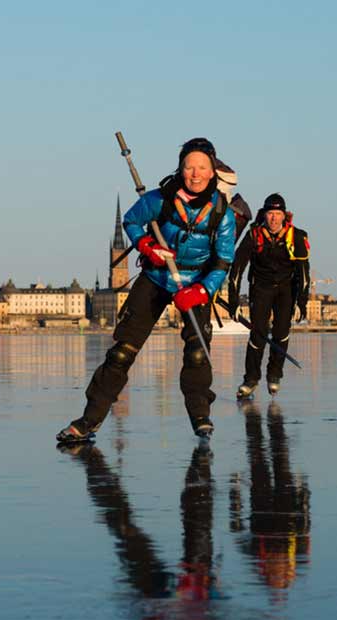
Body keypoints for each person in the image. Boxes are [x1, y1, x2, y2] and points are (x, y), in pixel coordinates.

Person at [57, 138, 237, 442]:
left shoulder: (222, 213)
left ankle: (200, 416)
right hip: (155, 278)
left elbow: (223, 261)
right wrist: (146, 246)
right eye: (189, 167)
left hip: (194, 284)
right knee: (122, 352)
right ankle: (89, 420)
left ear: (212, 172)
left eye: (202, 167)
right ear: (180, 169)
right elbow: (132, 221)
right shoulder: (159, 199)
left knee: (197, 353)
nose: (195, 173)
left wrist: (203, 292)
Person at [228, 193, 310, 398]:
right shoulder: (253, 235)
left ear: (285, 216)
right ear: (264, 215)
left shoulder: (296, 236)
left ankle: (274, 374)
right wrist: (233, 300)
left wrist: (302, 301)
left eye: (277, 214)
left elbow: (304, 274)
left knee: (281, 333)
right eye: (270, 214)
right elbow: (237, 269)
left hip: (286, 290)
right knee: (258, 334)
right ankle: (251, 379)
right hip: (261, 288)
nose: (273, 218)